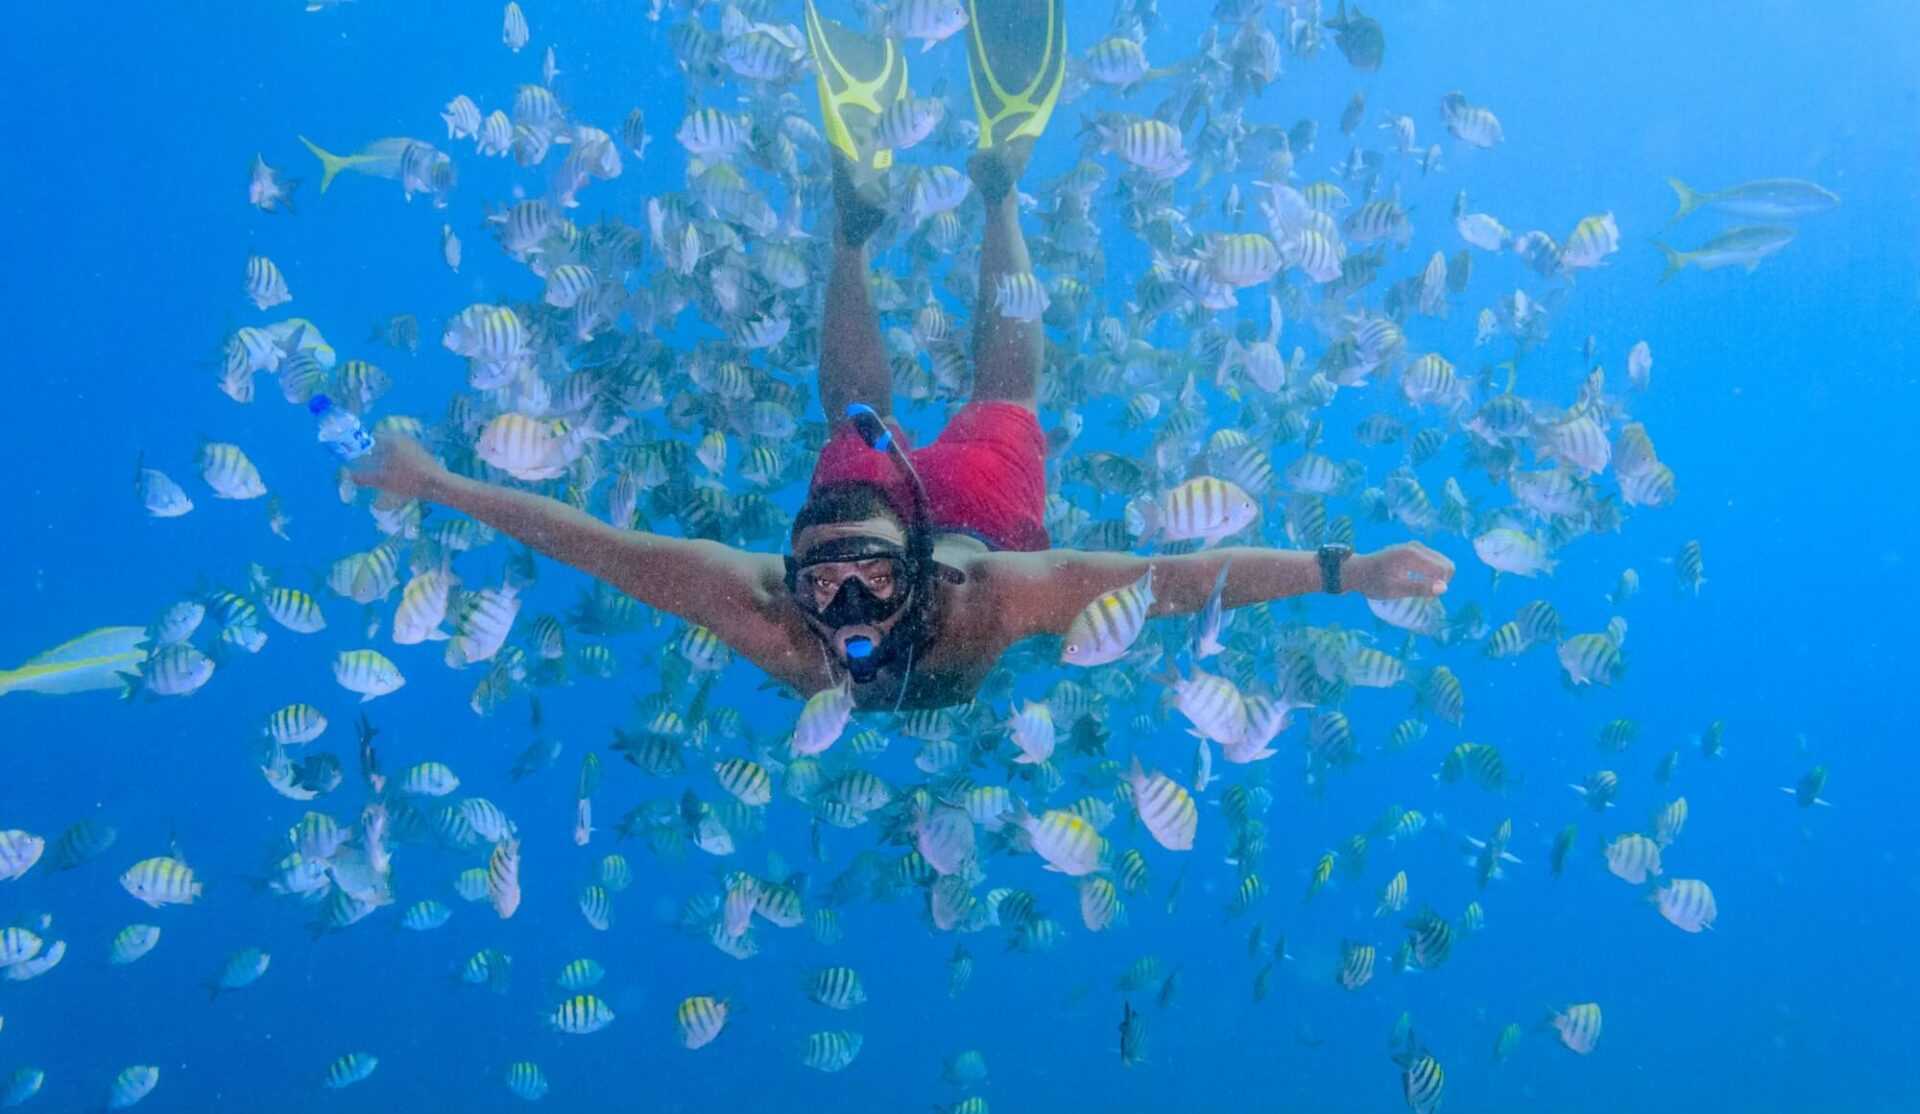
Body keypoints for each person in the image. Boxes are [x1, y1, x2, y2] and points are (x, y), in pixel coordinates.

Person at [353, 0, 1454, 711]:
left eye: (864, 577)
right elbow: (596, 546)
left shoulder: (986, 594)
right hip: (937, 504)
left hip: (967, 512)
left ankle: (886, 215)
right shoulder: (770, 606)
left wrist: (1341, 572)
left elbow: (1165, 584)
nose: (843, 607)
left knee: (894, 420)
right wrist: (436, 484)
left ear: (915, 564)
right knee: (993, 399)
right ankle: (986, 189)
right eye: (827, 580)